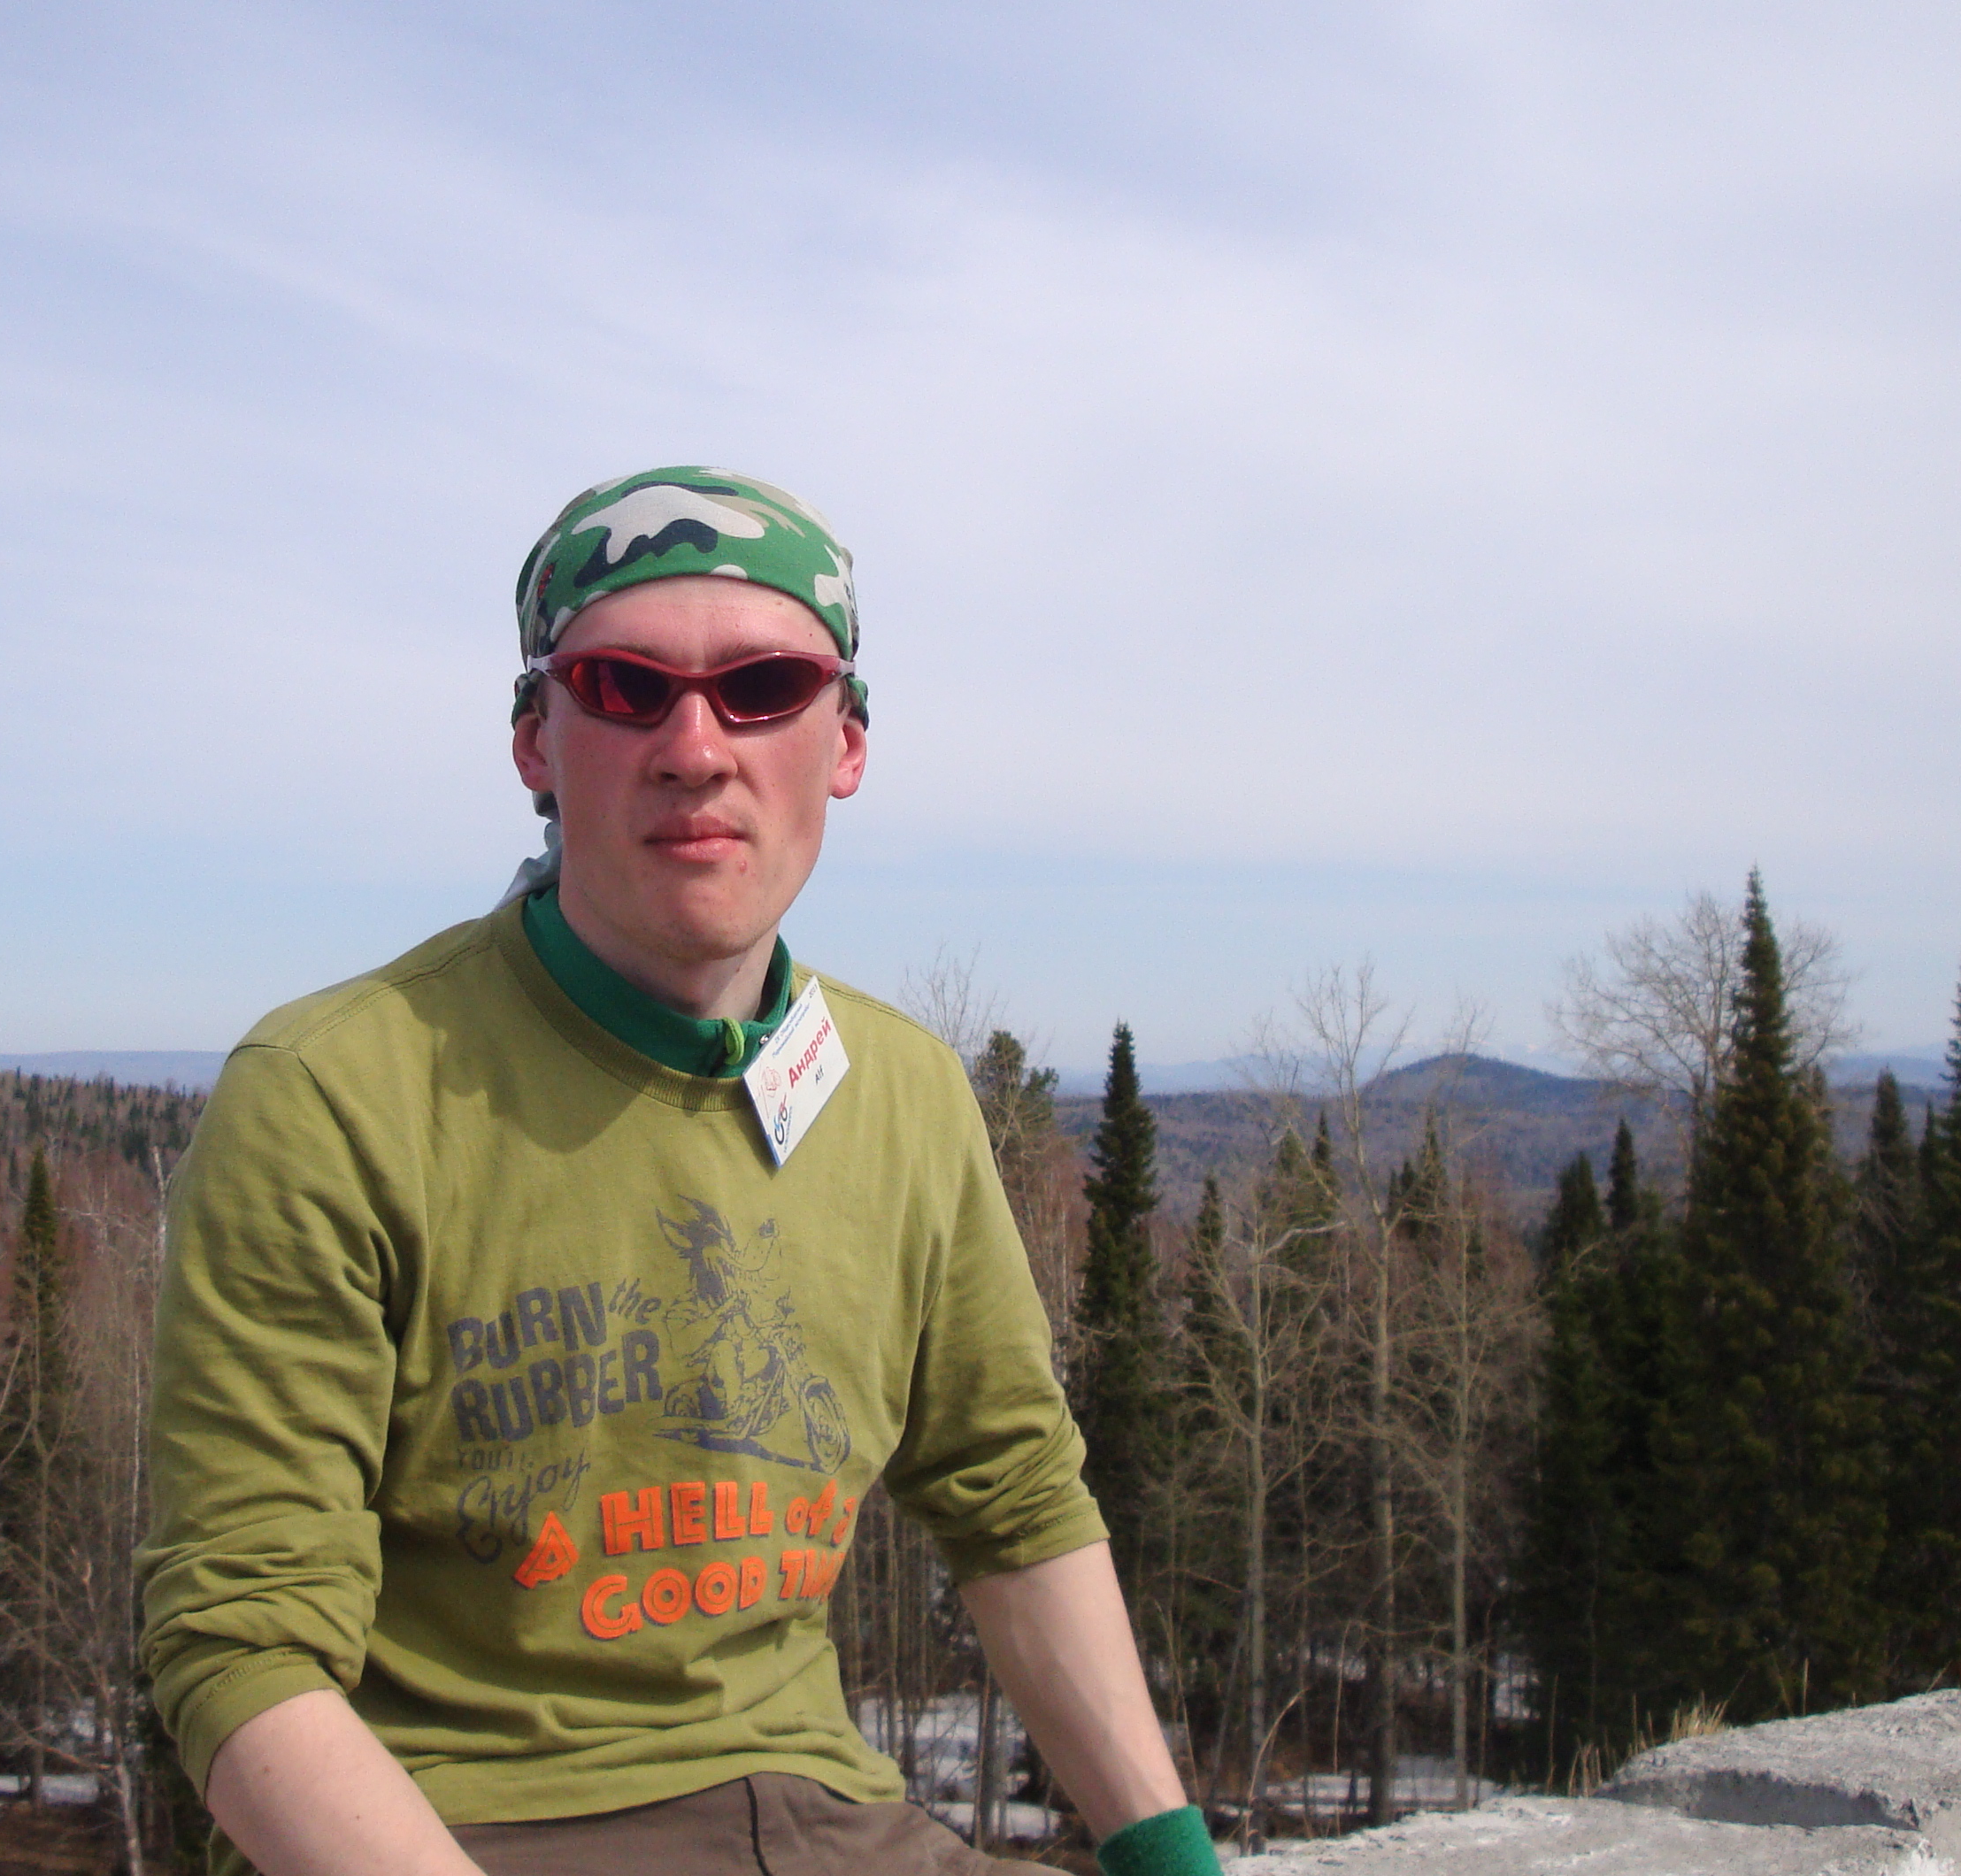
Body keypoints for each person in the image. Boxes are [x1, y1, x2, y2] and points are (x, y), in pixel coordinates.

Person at [140, 467, 1215, 1876]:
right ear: (535, 741)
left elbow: (1014, 1497)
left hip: (827, 1821)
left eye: (762, 687)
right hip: (456, 1827)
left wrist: (1171, 1858)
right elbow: (242, 1645)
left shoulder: (901, 1094)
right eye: (625, 687)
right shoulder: (336, 1094)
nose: (695, 748)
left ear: (846, 742)